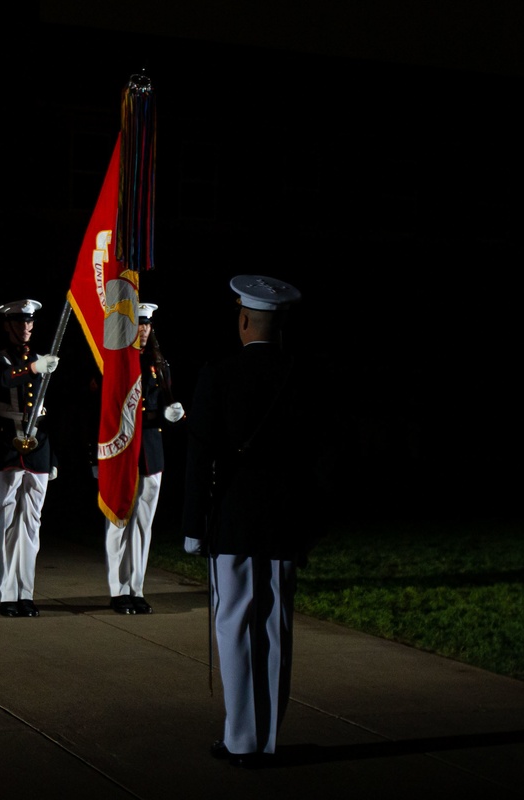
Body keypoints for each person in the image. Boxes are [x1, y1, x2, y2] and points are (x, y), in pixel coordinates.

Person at [181, 274, 321, 768]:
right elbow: (315, 463)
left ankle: (241, 738)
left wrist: (194, 526)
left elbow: (199, 457)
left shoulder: (217, 374)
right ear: (279, 326)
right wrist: (306, 530)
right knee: (276, 629)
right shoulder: (300, 376)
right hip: (282, 521)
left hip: (234, 520)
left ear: (243, 320)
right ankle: (267, 740)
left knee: (234, 627)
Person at [100, 302, 185, 615]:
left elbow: (166, 400)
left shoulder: (159, 363)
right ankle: (117, 589)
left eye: (148, 325)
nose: (145, 330)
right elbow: (104, 412)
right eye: (139, 324)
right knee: (118, 519)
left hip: (150, 449)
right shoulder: (116, 362)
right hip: (123, 449)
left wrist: (173, 413)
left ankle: (136, 588)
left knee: (143, 524)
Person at [0, 299, 60, 618]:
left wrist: (52, 456)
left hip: (38, 446)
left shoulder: (42, 359)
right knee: (6, 519)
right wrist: (32, 369)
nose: (26, 327)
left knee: (31, 524)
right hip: (7, 444)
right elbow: (2, 380)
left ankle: (25, 592)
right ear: (7, 326)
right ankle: (6, 594)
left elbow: (51, 412)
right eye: (20, 322)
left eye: (30, 322)